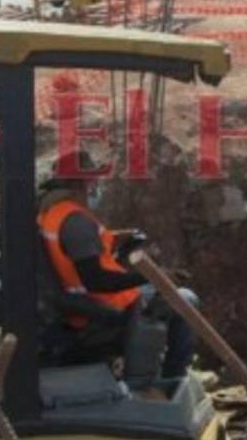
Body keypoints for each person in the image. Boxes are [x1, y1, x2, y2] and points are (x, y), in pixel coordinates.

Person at [37, 154, 195, 379]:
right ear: (78, 183)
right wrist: (152, 277)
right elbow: (98, 281)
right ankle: (164, 381)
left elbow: (81, 253)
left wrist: (118, 238)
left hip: (82, 302)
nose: (95, 186)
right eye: (92, 180)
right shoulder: (76, 222)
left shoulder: (52, 213)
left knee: (172, 296)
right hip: (102, 308)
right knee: (185, 301)